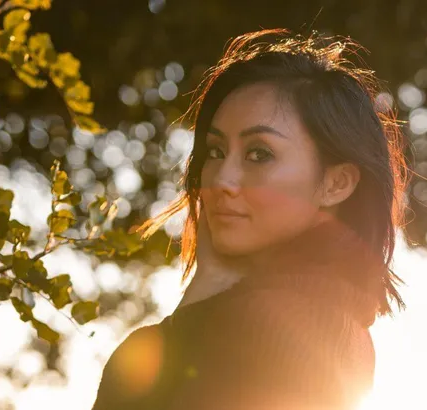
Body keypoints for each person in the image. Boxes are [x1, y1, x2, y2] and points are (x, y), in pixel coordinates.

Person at [91, 28, 409, 410]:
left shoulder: (284, 327)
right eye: (215, 151)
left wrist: (196, 307)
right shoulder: (330, 319)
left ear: (336, 183)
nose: (221, 180)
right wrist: (205, 290)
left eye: (259, 154)